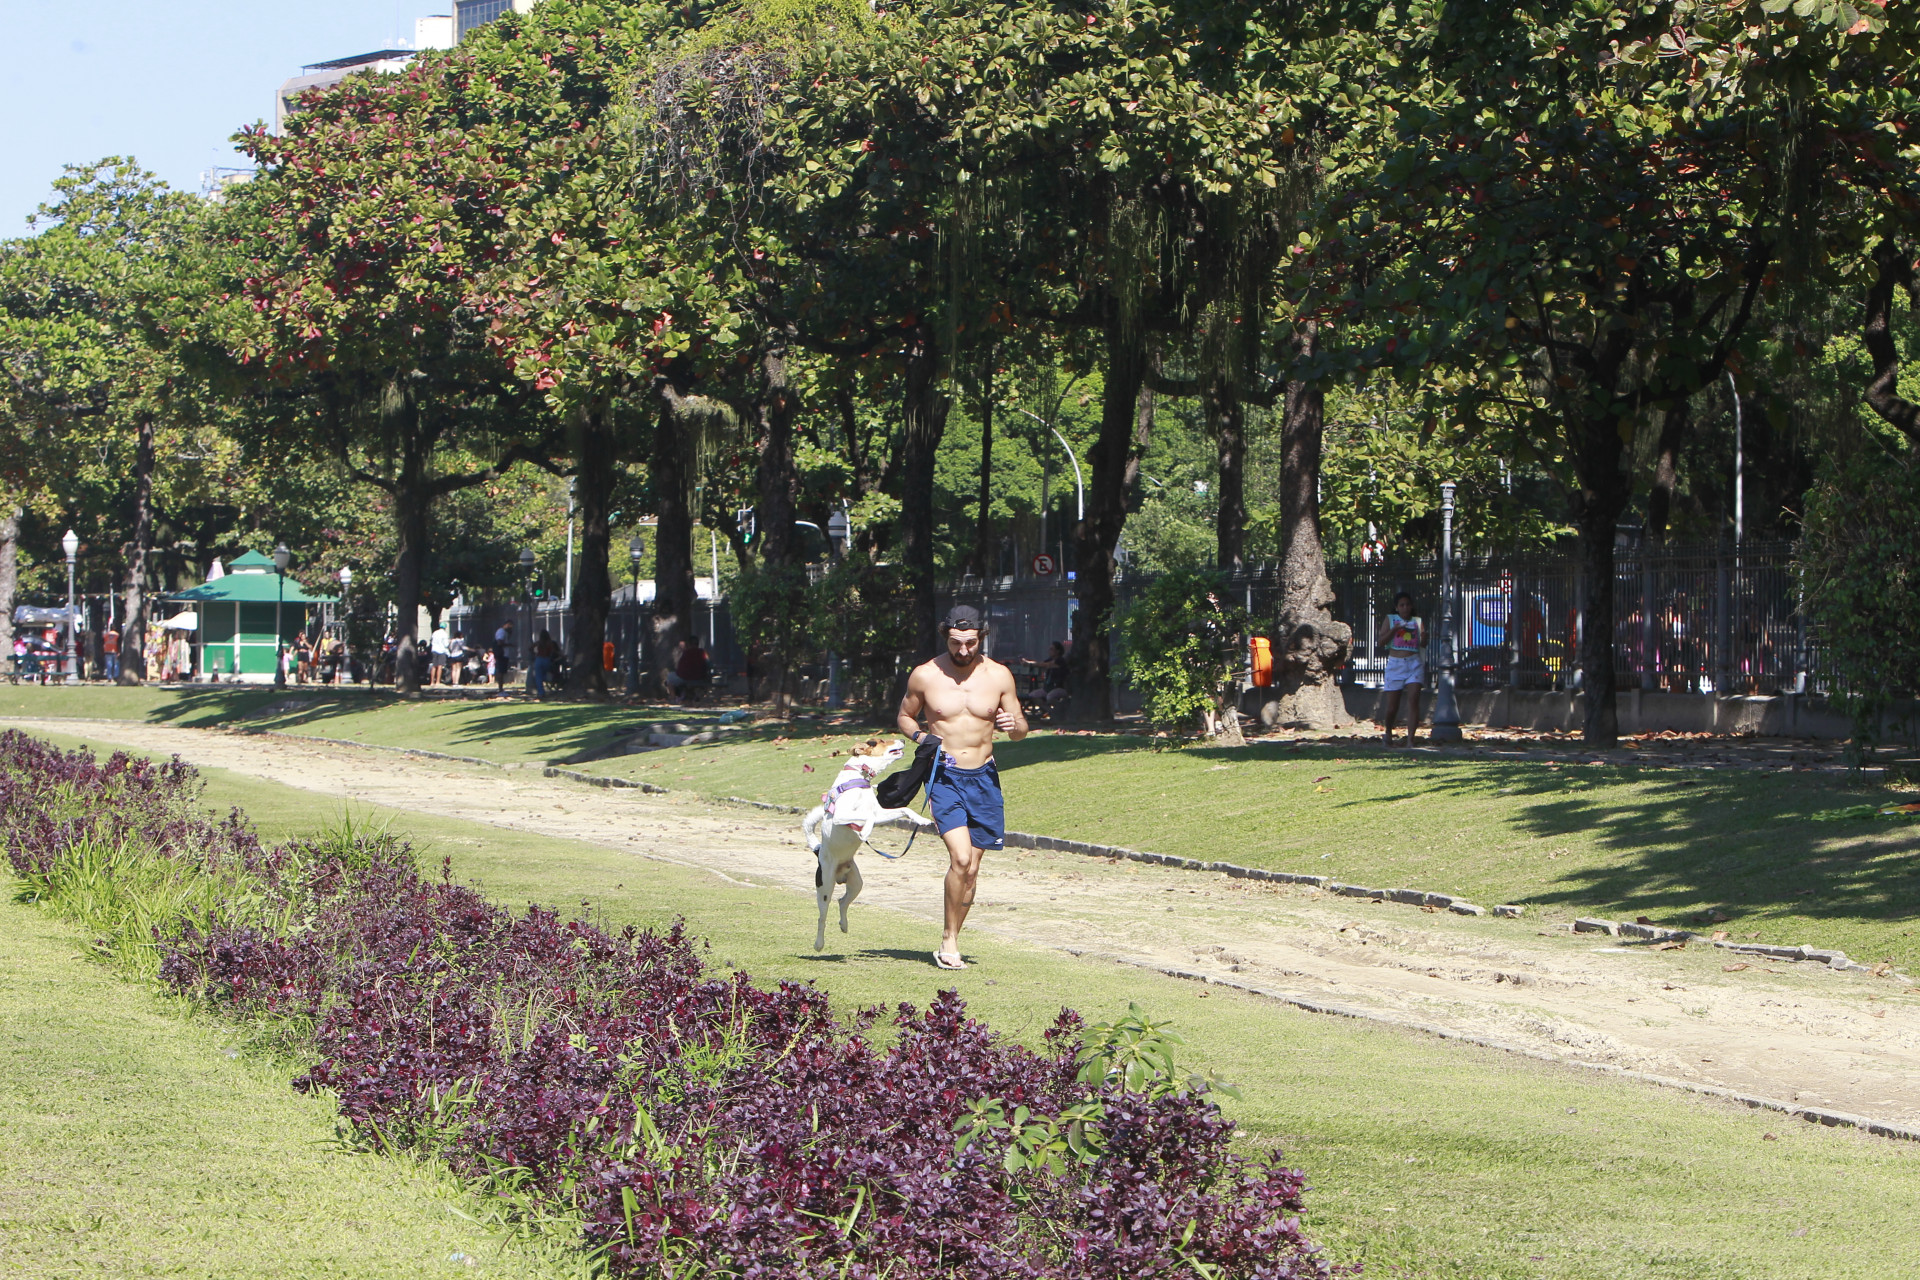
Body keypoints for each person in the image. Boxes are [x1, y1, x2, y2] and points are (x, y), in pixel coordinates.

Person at [895, 604, 1028, 970]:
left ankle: (955, 933)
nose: (964, 651)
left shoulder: (999, 676)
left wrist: (1010, 724)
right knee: (961, 858)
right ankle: (948, 941)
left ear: (980, 638)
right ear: (946, 638)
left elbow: (1020, 731)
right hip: (945, 776)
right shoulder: (925, 675)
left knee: (972, 870)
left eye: (970, 643)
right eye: (956, 643)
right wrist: (922, 736)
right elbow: (905, 716)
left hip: (984, 777)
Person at [1377, 591, 1425, 746]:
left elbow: (1423, 643)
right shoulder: (1390, 620)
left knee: (1414, 700)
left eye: (1408, 605)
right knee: (1392, 706)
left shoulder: (1417, 621)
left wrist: (1425, 637)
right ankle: (1388, 731)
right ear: (1396, 607)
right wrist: (1394, 630)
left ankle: (1411, 738)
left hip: (1414, 663)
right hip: (1395, 664)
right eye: (1402, 605)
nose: (1405, 608)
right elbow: (1381, 642)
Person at [1041, 640, 1070, 710]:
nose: (1049, 650)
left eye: (1052, 649)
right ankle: (1049, 711)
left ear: (1058, 651)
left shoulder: (1060, 661)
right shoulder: (1049, 660)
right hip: (1048, 688)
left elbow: (1047, 665)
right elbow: (1042, 664)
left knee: (1050, 697)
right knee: (1032, 696)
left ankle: (1062, 710)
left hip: (1060, 688)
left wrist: (1030, 664)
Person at [529, 629, 558, 699]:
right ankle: (548, 680)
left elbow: (530, 648)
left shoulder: (539, 642)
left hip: (538, 659)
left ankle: (541, 692)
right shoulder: (549, 643)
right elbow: (554, 651)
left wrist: (535, 653)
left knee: (538, 676)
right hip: (546, 659)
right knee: (546, 672)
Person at [493, 621, 514, 693]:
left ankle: (501, 687)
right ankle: (500, 688)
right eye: (510, 626)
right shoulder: (501, 631)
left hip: (504, 654)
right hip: (502, 654)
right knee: (501, 671)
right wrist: (509, 645)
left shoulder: (505, 632)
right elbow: (500, 642)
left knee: (502, 671)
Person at [429, 622, 450, 687]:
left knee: (434, 666)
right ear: (445, 628)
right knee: (440, 666)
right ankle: (437, 681)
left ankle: (432, 682)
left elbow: (431, 641)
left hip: (434, 649)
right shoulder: (444, 634)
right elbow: (446, 644)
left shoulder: (435, 633)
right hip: (441, 651)